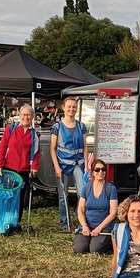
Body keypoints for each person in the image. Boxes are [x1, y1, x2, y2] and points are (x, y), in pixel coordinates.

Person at [0, 104, 40, 231]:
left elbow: (36, 153)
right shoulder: (11, 129)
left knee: (20, 198)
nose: (26, 117)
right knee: (8, 196)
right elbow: (2, 147)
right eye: (24, 114)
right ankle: (3, 221)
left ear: (32, 117)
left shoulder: (34, 134)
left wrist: (35, 167)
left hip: (24, 170)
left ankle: (15, 222)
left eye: (29, 115)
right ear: (20, 116)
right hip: (9, 168)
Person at [50, 97, 88, 231]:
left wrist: (87, 167)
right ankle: (65, 223)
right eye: (69, 106)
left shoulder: (81, 126)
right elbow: (52, 148)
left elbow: (85, 147)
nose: (71, 109)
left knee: (82, 193)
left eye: (74, 107)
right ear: (63, 107)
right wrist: (56, 166)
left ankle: (81, 222)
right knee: (63, 195)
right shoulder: (57, 127)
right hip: (63, 164)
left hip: (79, 164)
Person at [73, 159, 118, 253]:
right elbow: (80, 209)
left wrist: (99, 228)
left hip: (104, 226)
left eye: (103, 169)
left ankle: (108, 242)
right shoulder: (86, 188)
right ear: (93, 172)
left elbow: (113, 213)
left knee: (95, 250)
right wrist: (84, 226)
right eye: (97, 170)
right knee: (79, 249)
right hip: (88, 225)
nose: (100, 172)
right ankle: (89, 239)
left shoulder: (111, 188)